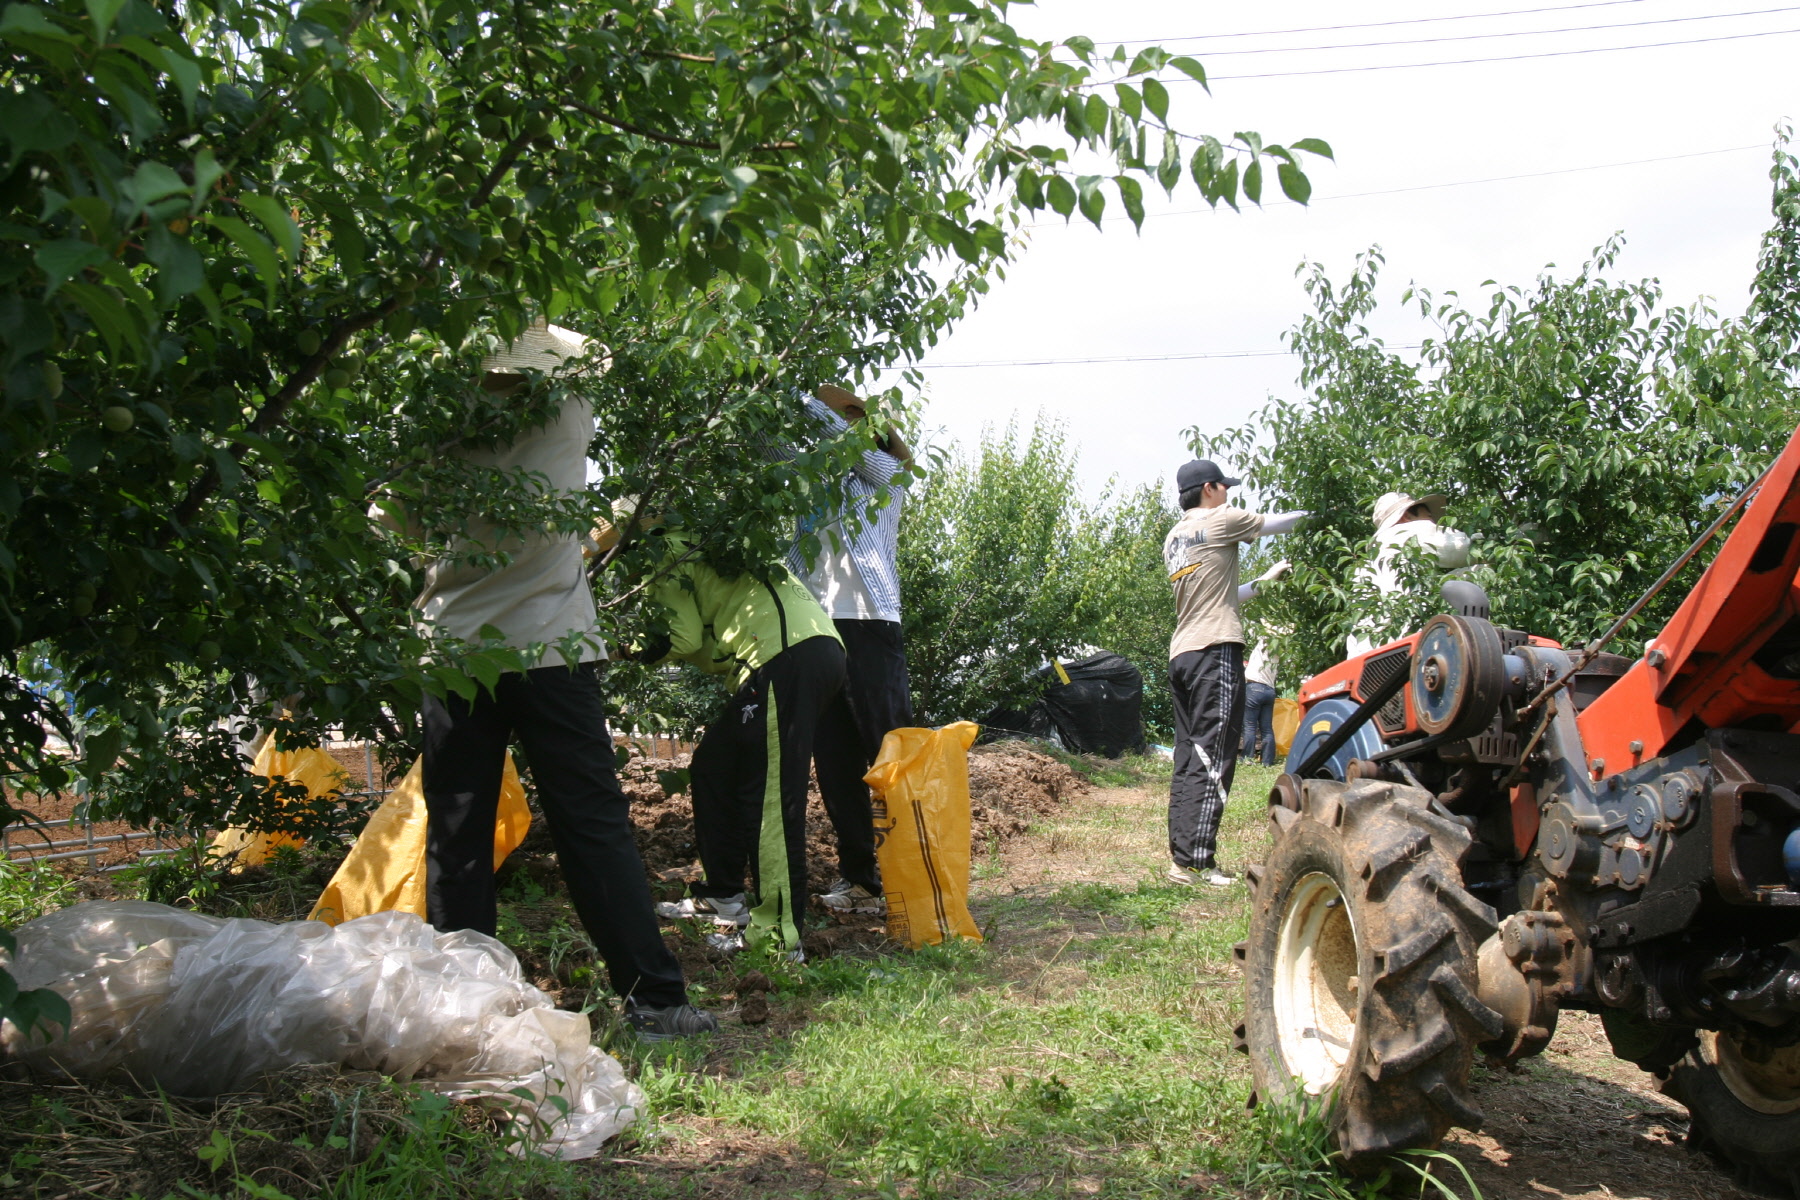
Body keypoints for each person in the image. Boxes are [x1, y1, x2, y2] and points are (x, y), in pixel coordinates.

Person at [385, 321, 717, 1043]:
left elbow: (396, 519)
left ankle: (467, 1012)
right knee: (593, 824)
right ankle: (655, 1001)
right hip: (554, 645)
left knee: (459, 835)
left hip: (456, 648)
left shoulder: (431, 418)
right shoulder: (568, 409)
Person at [635, 521, 848, 959]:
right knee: (715, 765)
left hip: (783, 655)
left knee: (770, 800)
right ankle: (722, 894)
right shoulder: (711, 537)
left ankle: (776, 936)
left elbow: (683, 637)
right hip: (815, 648)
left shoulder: (660, 555)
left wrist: (623, 647)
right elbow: (712, 643)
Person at [784, 384, 914, 917]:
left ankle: (914, 874)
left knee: (890, 752)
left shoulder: (888, 474)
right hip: (815, 625)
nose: (836, 426)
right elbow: (773, 455)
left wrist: (804, 402)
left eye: (849, 419)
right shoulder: (813, 479)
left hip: (870, 623)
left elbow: (853, 450)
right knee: (834, 758)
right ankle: (860, 878)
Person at [1162, 459, 1304, 887]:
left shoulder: (1174, 538)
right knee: (1216, 753)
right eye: (1225, 487)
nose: (1228, 494)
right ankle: (1198, 862)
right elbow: (1285, 523)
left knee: (1190, 756)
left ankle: (1182, 859)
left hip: (1183, 653)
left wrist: (1267, 578)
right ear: (1210, 488)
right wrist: (1323, 514)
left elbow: (1224, 595)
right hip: (1214, 650)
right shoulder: (1221, 519)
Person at [1343, 491, 1471, 657]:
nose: (1432, 523)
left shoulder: (1365, 566)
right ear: (1406, 516)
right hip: (1410, 646)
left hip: (1368, 656)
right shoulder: (1409, 532)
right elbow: (1462, 549)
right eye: (1429, 517)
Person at [1241, 635, 1279, 767]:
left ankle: (1247, 758)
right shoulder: (1278, 651)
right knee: (1267, 728)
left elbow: (1257, 628)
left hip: (1254, 687)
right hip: (1270, 690)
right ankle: (1267, 761)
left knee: (1250, 725)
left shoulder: (1264, 642)